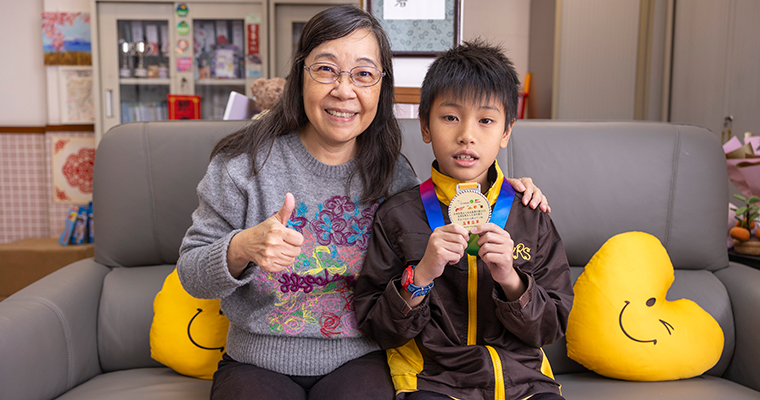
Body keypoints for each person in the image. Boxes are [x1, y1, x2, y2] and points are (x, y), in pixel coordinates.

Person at [177, 6, 550, 400]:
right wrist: (241, 247)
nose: (344, 89)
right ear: (300, 75)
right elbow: (191, 275)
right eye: (326, 69)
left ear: (380, 87)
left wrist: (507, 192)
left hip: (361, 360)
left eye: (363, 74)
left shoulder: (395, 176)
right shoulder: (243, 166)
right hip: (256, 362)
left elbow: (453, 219)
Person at [354, 40, 574, 400]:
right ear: (425, 126)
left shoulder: (530, 212)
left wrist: (512, 280)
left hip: (524, 383)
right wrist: (420, 276)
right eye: (450, 117)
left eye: (486, 120)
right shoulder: (397, 216)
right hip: (432, 382)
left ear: (506, 132)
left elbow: (550, 329)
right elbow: (379, 329)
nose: (467, 135)